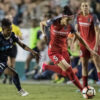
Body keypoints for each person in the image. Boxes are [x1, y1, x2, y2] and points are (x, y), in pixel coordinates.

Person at [40, 6, 84, 92]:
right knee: (69, 70)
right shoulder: (53, 21)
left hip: (64, 50)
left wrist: (88, 48)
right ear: (63, 16)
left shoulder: (70, 26)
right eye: (68, 19)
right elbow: (42, 23)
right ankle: (82, 89)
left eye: (71, 19)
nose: (69, 22)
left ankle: (46, 66)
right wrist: (44, 34)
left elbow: (78, 37)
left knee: (65, 72)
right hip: (53, 51)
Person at [0, 18, 39, 96]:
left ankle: (20, 91)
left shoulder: (12, 35)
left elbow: (22, 45)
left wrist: (32, 51)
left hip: (3, 61)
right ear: (3, 29)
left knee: (15, 74)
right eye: (8, 30)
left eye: (10, 30)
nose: (9, 32)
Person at [74, 0, 100, 88]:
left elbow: (97, 32)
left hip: (93, 44)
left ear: (89, 7)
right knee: (84, 65)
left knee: (98, 65)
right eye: (83, 6)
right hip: (83, 45)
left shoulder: (93, 17)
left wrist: (96, 45)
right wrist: (74, 42)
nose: (85, 7)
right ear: (81, 7)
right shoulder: (78, 17)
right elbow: (77, 31)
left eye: (86, 6)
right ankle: (85, 87)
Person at [0, 14, 23, 84]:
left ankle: (9, 78)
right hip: (5, 47)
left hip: (13, 47)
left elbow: (21, 37)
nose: (9, 19)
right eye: (8, 18)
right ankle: (6, 77)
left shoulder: (16, 28)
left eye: (10, 18)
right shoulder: (2, 27)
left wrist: (17, 37)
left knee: (12, 65)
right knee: (8, 63)